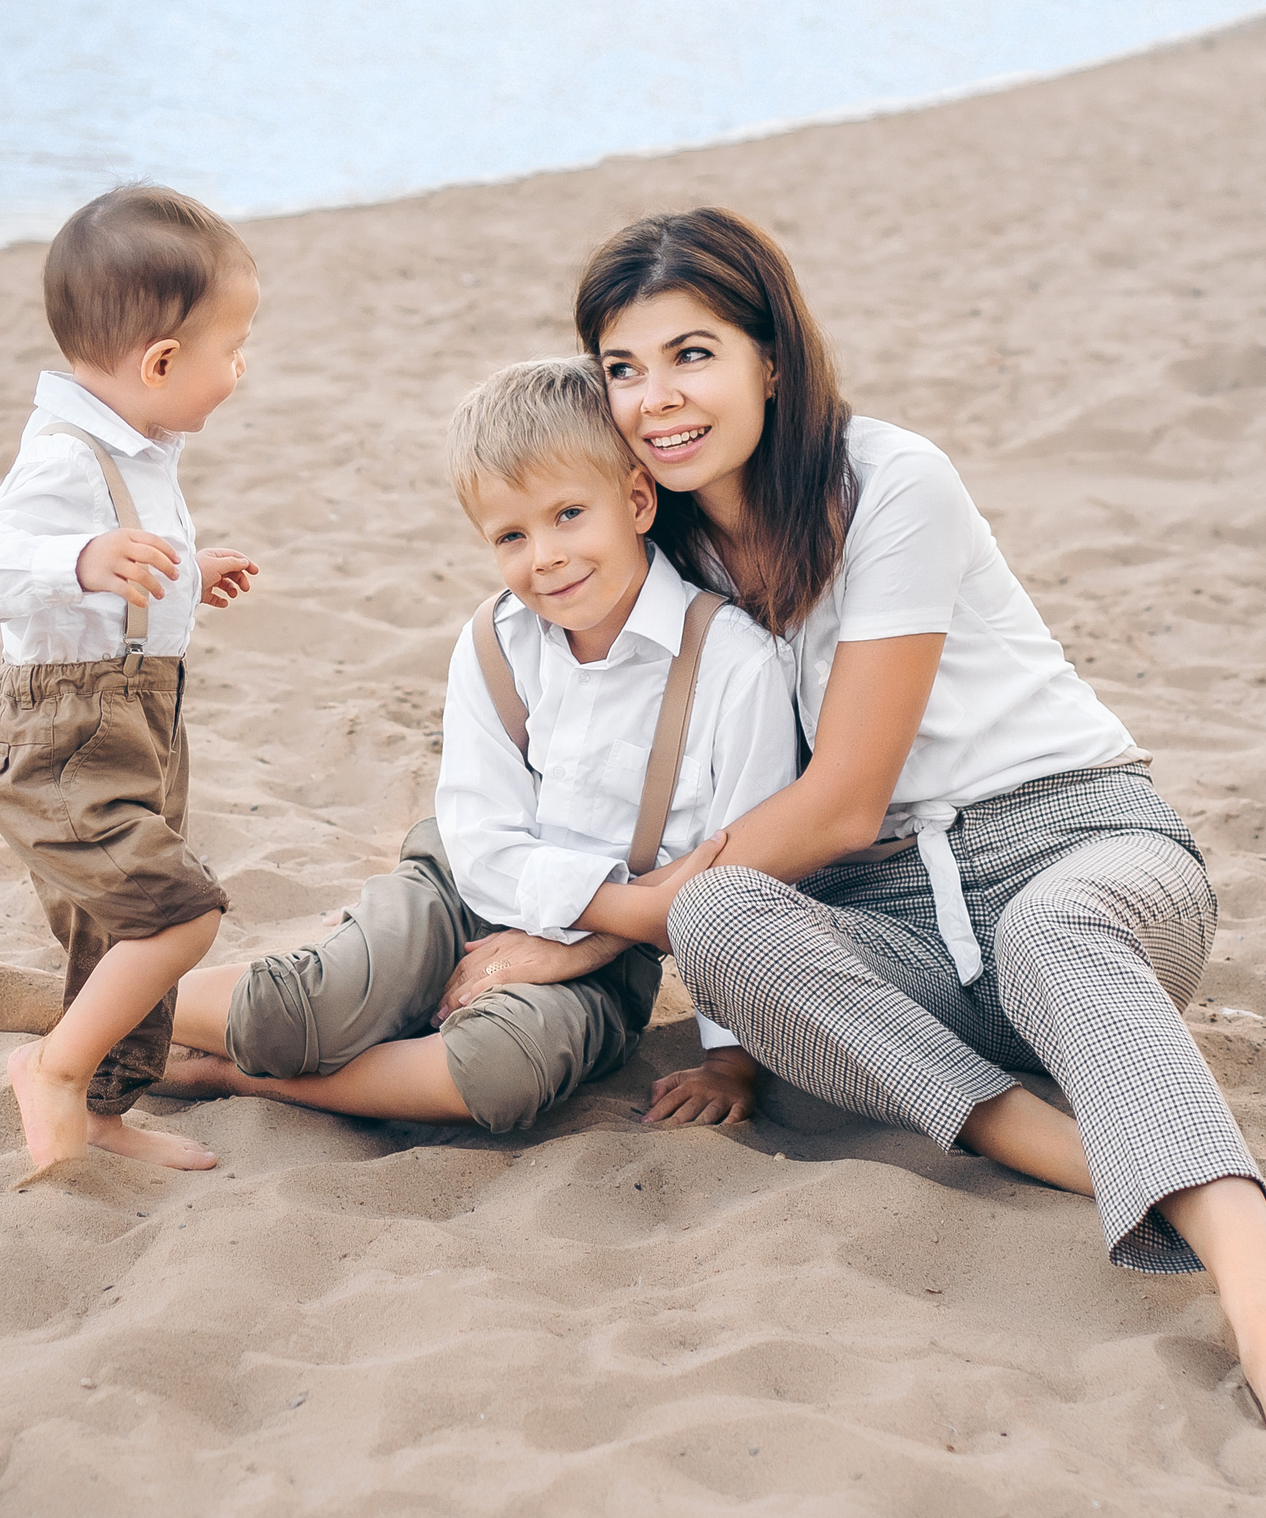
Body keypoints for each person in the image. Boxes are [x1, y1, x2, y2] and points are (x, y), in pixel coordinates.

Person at [558, 206, 1266, 1468]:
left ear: (769, 358)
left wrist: (602, 916)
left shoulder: (891, 481)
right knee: (722, 917)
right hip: (887, 922)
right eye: (622, 368)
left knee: (1055, 931)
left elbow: (842, 797)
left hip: (1076, 846)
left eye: (691, 354)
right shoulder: (655, 542)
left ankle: (1261, 1290)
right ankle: (1093, 1150)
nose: (655, 400)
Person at [143, 356, 792, 1129]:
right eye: (511, 534)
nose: (544, 555)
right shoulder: (496, 641)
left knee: (498, 1073)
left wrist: (730, 1057)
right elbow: (481, 839)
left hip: (612, 957)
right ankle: (110, 1003)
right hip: (459, 888)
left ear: (638, 498)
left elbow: (745, 877)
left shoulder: (732, 663)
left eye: (569, 515)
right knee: (309, 1008)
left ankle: (241, 1080)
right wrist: (609, 904)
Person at [0, 185, 261, 1178]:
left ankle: (109, 1110)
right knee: (177, 912)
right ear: (160, 363)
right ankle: (54, 1068)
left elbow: (128, 557)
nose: (239, 372)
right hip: (62, 731)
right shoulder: (63, 460)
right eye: (232, 350)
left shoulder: (141, 446)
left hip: (136, 717)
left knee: (108, 931)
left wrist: (177, 581)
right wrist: (79, 562)